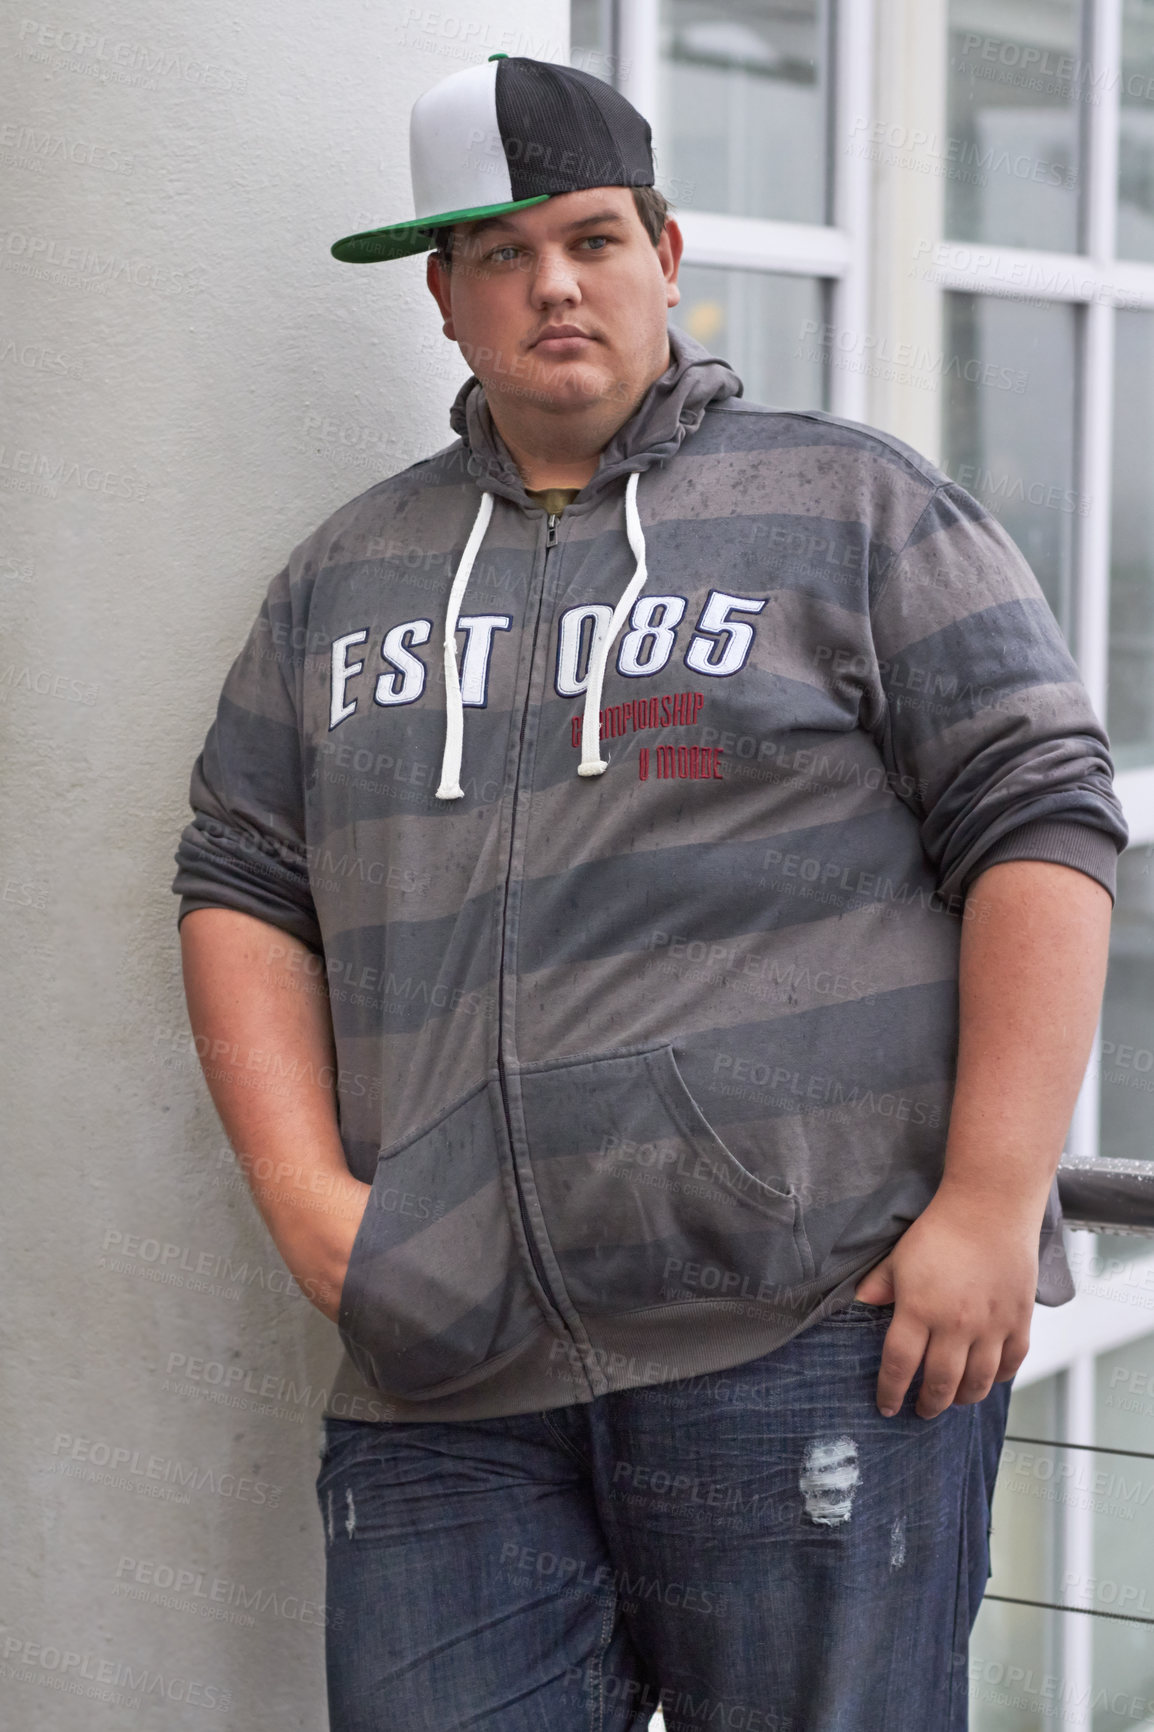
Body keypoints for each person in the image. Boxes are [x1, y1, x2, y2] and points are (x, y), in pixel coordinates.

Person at [173, 53, 1128, 1732]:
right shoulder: (342, 578)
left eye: (593, 237)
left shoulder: (855, 509)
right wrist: (313, 1209)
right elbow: (242, 880)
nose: (553, 282)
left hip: (810, 1341)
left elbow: (1041, 821)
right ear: (445, 298)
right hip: (441, 1384)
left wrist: (989, 1202)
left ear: (665, 258)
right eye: (499, 249)